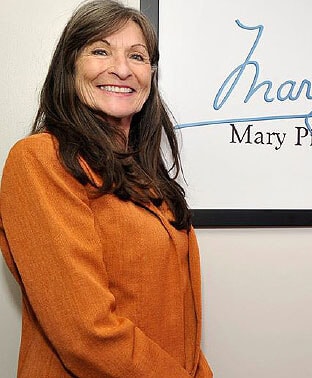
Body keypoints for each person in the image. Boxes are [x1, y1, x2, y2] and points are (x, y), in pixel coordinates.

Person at [0, 1, 213, 376]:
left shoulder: (148, 179)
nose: (122, 68)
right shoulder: (39, 160)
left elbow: (181, 323)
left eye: (138, 56)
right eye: (100, 50)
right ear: (70, 65)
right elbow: (86, 334)